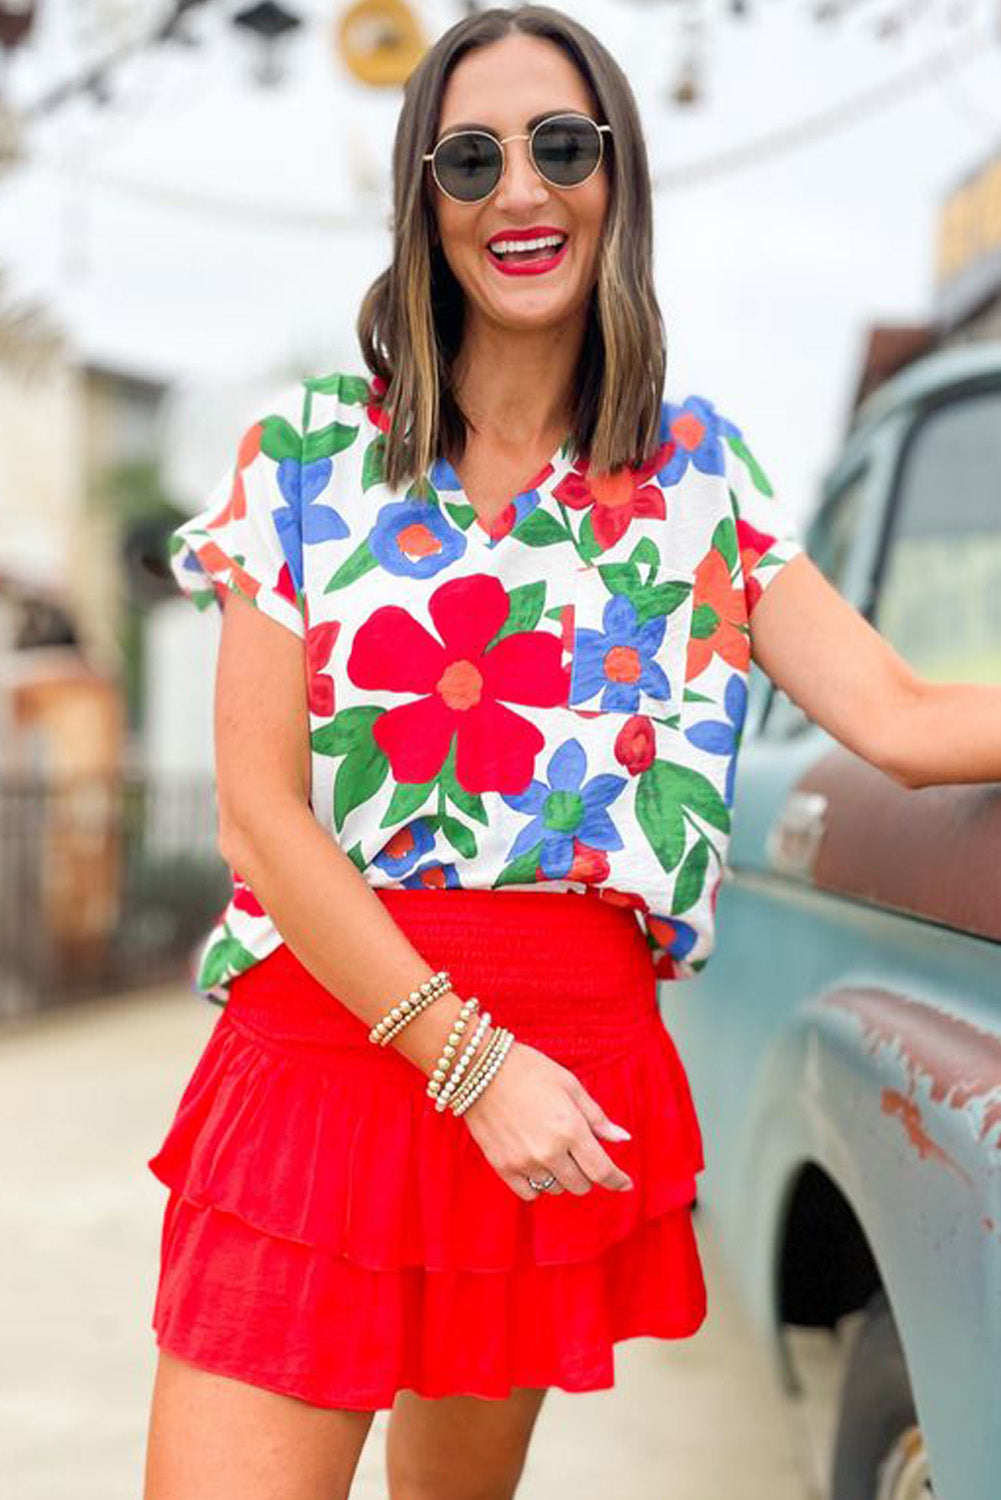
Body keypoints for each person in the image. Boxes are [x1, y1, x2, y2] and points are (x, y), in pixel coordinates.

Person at [142, 6, 1001, 1498]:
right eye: (469, 158)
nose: (518, 190)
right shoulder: (306, 455)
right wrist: (469, 1065)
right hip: (336, 1060)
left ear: (617, 173)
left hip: (563, 1077)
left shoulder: (692, 477)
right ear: (423, 197)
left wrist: (510, 1079)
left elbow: (908, 721)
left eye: (560, 146)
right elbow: (258, 815)